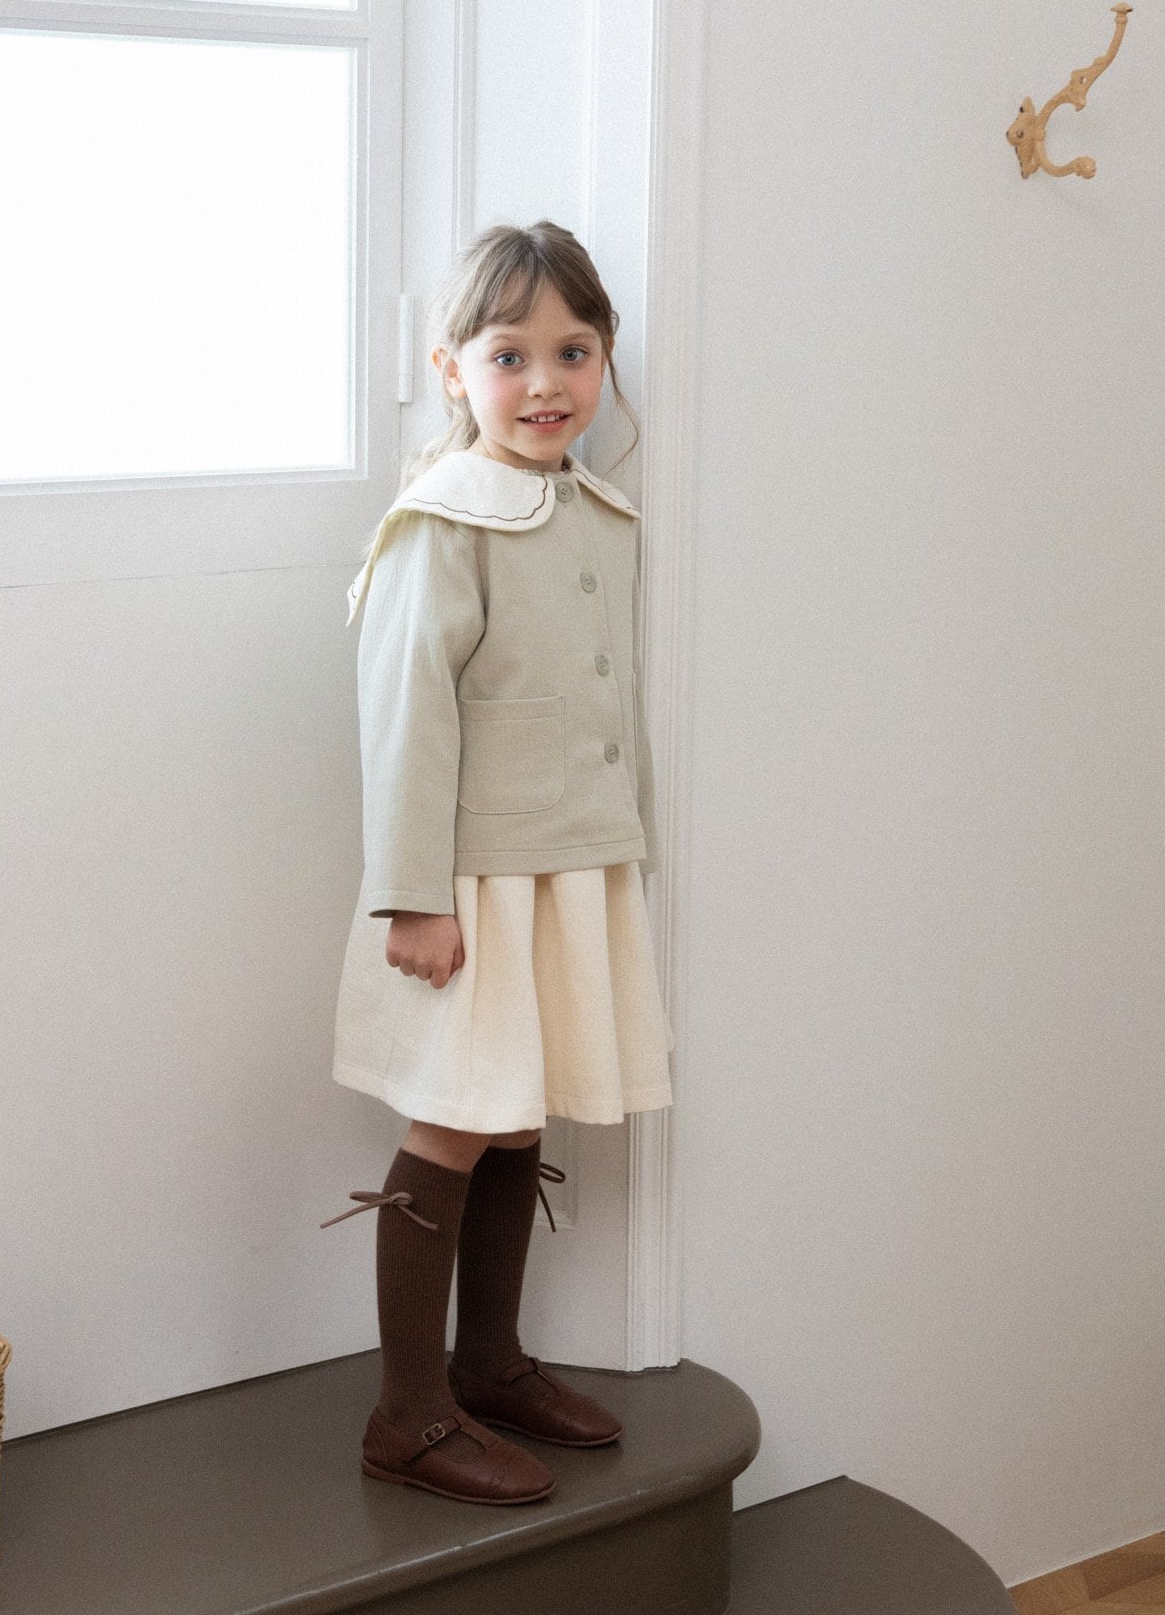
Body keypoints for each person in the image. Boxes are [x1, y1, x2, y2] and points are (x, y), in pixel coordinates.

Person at [322, 220, 673, 1507]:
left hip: (567, 868)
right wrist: (411, 896)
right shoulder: (441, 522)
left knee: (519, 1107)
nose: (543, 383)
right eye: (508, 354)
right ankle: (406, 1416)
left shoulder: (597, 511)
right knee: (457, 1114)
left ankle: (489, 1362)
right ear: (450, 368)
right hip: (468, 880)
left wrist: (625, 847)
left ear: (604, 360)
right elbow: (405, 717)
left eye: (572, 352)